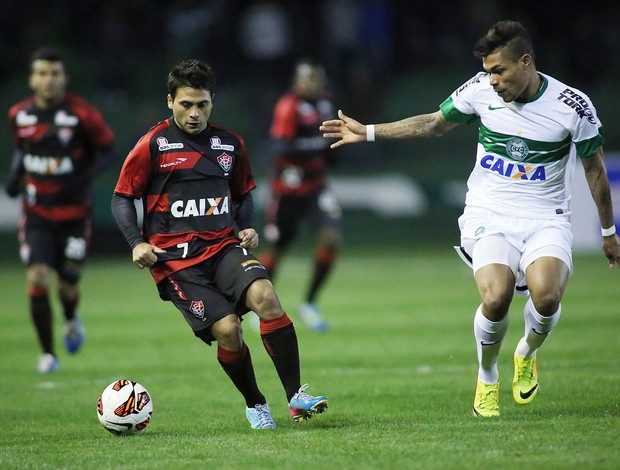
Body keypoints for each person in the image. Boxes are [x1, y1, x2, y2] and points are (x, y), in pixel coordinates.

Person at [321, 20, 620, 417]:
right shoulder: (479, 91)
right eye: (487, 71)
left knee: (546, 297)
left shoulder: (571, 106)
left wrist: (608, 231)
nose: (491, 80)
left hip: (546, 216)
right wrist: (371, 132)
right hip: (489, 213)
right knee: (495, 298)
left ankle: (526, 353)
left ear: (526, 62)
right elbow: (433, 124)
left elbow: (595, 170)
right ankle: (488, 374)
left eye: (499, 70)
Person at [111, 59, 328, 429]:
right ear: (170, 101)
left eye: (202, 104)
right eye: (186, 104)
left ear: (212, 101)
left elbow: (243, 194)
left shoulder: (229, 143)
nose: (194, 113)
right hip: (177, 262)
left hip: (224, 248)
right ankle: (256, 403)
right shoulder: (153, 145)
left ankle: (295, 397)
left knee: (267, 297)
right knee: (228, 329)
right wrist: (136, 242)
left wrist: (246, 227)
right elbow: (121, 198)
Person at [5, 47, 116, 373]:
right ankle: (48, 355)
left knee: (67, 285)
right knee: (38, 278)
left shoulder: (83, 115)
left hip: (74, 216)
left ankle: (70, 318)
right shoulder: (18, 115)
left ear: (64, 78)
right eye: (42, 73)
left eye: (54, 74)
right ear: (32, 79)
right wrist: (14, 177)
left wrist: (84, 177)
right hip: (37, 214)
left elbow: (108, 151)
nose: (48, 80)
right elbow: (22, 151)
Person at [259, 59, 341, 332]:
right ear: (297, 82)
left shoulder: (327, 103)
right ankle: (257, 303)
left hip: (316, 185)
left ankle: (309, 303)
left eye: (316, 79)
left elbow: (335, 145)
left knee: (331, 239)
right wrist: (321, 145)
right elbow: (281, 147)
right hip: (287, 190)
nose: (312, 85)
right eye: (307, 79)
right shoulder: (288, 106)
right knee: (277, 247)